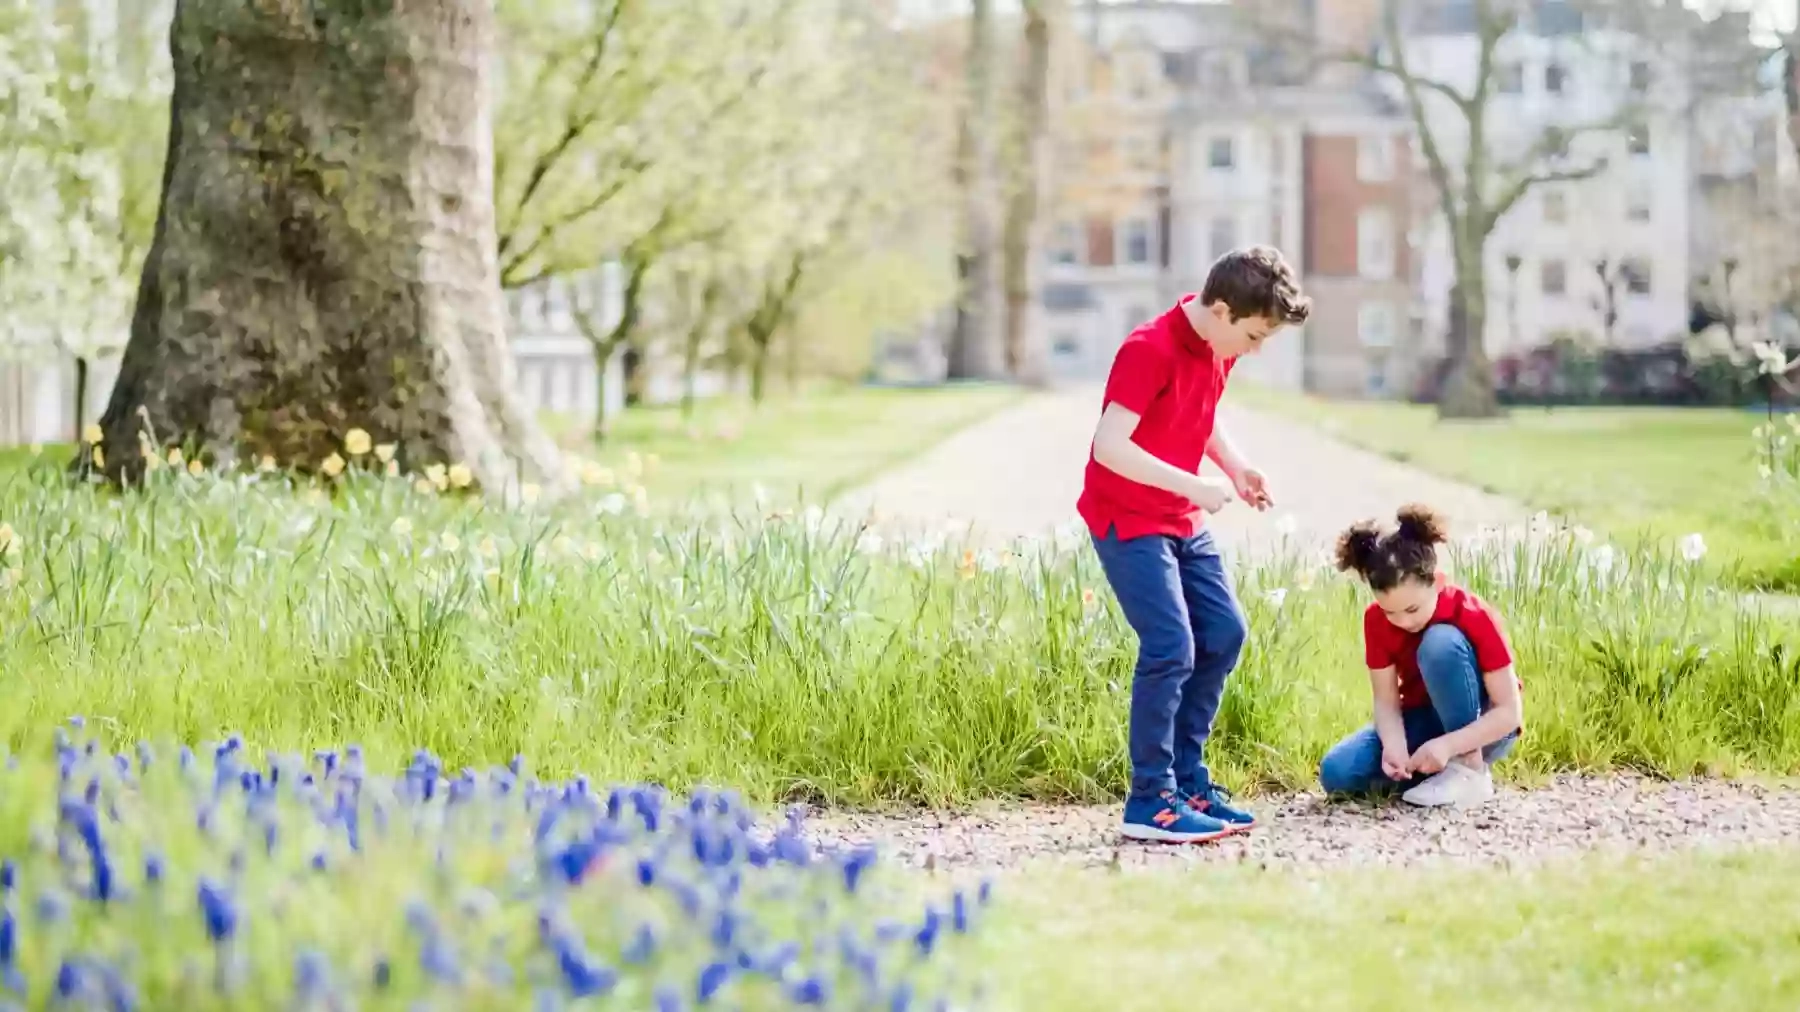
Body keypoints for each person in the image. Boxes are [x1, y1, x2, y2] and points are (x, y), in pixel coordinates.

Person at [1078, 246, 1312, 844]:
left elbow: (1197, 415)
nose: (1256, 350)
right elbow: (1110, 445)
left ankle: (1187, 781)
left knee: (1224, 632)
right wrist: (1196, 485)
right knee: (1170, 645)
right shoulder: (1148, 350)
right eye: (1255, 335)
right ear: (1222, 309)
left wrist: (1234, 467)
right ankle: (1149, 801)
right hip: (1127, 518)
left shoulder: (1215, 345)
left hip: (1181, 515)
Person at [1319, 504, 1525, 808]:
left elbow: (1509, 713)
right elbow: (1386, 702)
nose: (1403, 621)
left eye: (1412, 609)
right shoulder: (1375, 620)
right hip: (1425, 720)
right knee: (1337, 772)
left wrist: (1449, 745)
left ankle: (1469, 769)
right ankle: (1433, 771)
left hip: (1483, 726)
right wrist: (1394, 746)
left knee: (1438, 643)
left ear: (1438, 582)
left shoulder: (1470, 613)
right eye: (1392, 612)